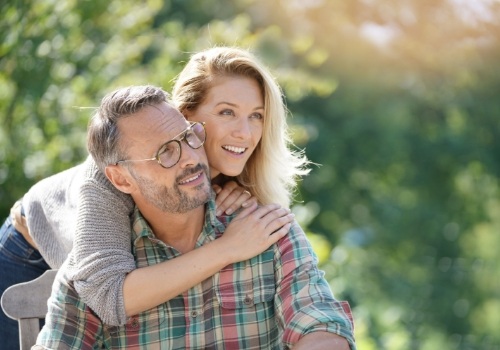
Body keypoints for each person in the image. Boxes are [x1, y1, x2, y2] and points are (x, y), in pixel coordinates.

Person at [35, 85, 355, 349]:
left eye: (189, 137)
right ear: (121, 179)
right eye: (165, 153)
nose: (191, 158)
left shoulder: (267, 231)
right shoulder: (97, 269)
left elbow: (320, 321)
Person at [66, 46, 314, 326]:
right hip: (28, 250)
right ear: (184, 114)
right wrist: (229, 247)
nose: (245, 133)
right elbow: (107, 297)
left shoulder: (228, 184)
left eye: (256, 115)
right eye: (227, 112)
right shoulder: (111, 175)